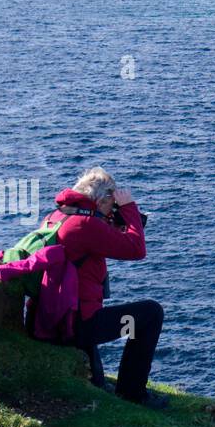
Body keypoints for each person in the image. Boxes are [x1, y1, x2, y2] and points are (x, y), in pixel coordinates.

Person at [54, 167, 167, 409]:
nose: (112, 210)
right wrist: (129, 209)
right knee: (150, 314)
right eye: (111, 203)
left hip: (58, 316)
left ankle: (96, 378)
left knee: (93, 307)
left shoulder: (61, 215)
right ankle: (132, 392)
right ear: (103, 200)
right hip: (79, 324)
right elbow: (137, 249)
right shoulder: (86, 224)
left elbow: (95, 246)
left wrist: (112, 225)